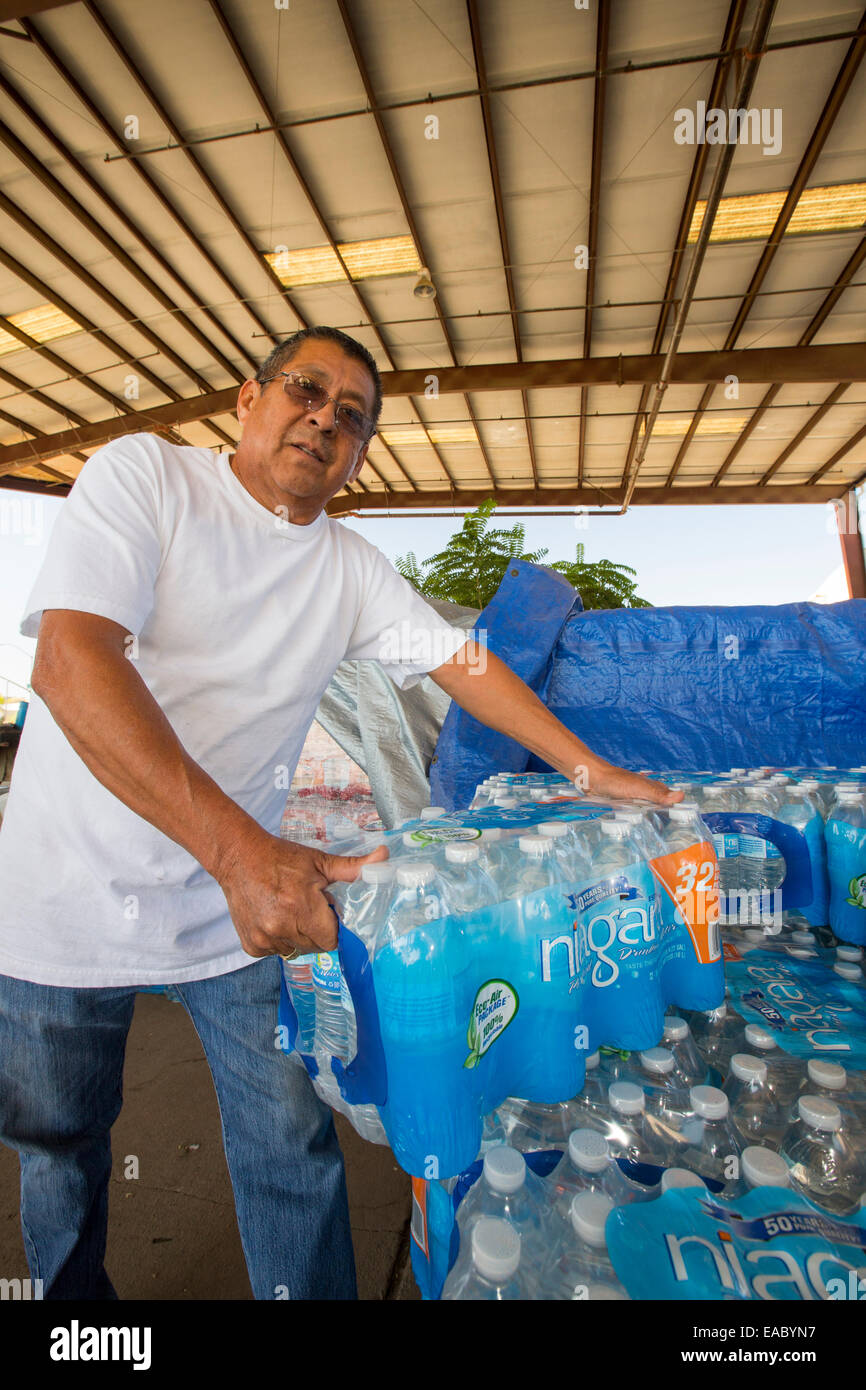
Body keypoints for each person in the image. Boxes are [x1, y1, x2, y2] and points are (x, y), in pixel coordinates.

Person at [0, 325, 680, 1301]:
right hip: (62, 902)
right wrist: (242, 851)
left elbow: (467, 666)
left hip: (229, 917)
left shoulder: (348, 569)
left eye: (351, 417)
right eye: (305, 390)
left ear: (358, 455)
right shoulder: (144, 477)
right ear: (248, 397)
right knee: (59, 1146)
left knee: (288, 1141)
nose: (323, 417)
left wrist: (588, 769)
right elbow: (71, 661)